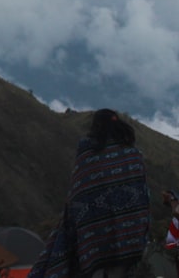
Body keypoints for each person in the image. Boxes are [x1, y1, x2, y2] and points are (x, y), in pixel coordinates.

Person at [28, 109, 150, 278]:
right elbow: (143, 198)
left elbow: (77, 195)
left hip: (92, 240)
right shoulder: (133, 155)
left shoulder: (87, 153)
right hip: (128, 239)